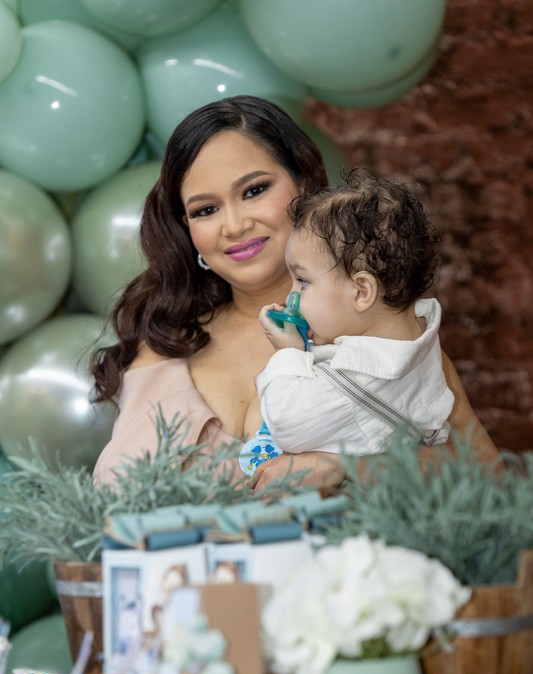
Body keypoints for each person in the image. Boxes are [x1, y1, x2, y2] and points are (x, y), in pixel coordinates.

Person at [90, 95, 501, 492]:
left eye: (254, 190)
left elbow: (488, 475)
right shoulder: (162, 347)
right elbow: (112, 503)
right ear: (187, 228)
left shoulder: (389, 340)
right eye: (206, 210)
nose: (234, 225)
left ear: (304, 184)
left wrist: (346, 468)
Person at [256, 171, 454, 457]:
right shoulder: (416, 340)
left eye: (303, 281)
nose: (290, 298)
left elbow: (284, 425)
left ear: (361, 292)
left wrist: (289, 353)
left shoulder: (358, 383)